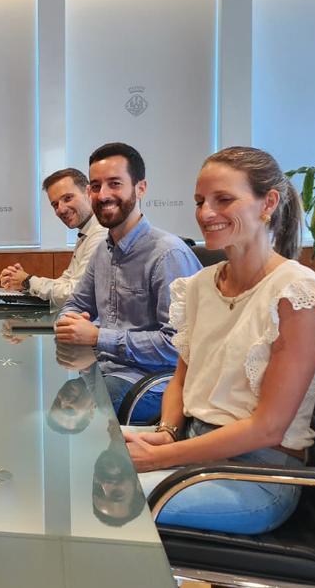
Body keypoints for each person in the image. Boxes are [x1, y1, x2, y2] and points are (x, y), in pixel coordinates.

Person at [125, 147, 315, 535]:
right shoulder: (201, 284)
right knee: (77, 457)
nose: (205, 213)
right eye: (200, 201)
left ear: (268, 203)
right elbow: (181, 380)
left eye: (224, 200)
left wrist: (162, 456)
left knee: (102, 497)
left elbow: (268, 428)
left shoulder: (297, 293)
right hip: (192, 444)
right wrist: (166, 432)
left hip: (258, 476)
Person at [56, 143, 201, 422]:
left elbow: (179, 345)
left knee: (73, 414)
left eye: (115, 184)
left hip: (155, 381)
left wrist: (98, 337)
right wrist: (69, 321)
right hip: (103, 369)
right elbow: (76, 303)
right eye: (96, 186)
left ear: (141, 188)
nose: (103, 195)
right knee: (49, 396)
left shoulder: (168, 254)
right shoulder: (103, 250)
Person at [0, 168, 106, 304]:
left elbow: (75, 293)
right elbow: (65, 281)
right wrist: (23, 283)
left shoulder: (101, 233)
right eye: (55, 204)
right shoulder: (86, 232)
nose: (61, 209)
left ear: (88, 192)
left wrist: (28, 281)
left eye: (68, 198)